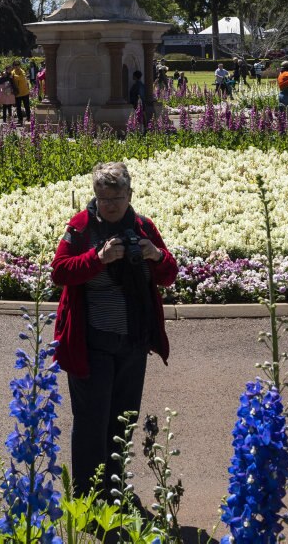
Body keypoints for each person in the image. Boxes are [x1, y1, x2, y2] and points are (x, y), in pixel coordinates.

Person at [51, 161, 177, 496]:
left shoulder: (143, 226)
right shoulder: (80, 228)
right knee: (92, 422)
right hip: (91, 342)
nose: (109, 204)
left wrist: (155, 255)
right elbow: (59, 272)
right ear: (95, 195)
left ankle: (115, 487)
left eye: (116, 198)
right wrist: (98, 258)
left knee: (124, 420)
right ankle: (87, 495)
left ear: (129, 195)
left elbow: (169, 273)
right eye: (103, 197)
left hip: (133, 342)